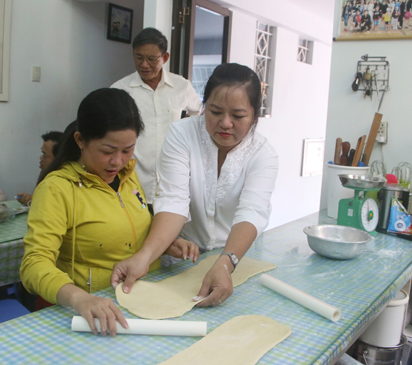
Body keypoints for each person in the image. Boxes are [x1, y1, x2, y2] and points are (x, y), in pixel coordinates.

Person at [20, 88, 198, 336]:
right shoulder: (58, 189)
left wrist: (166, 245)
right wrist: (79, 298)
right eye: (107, 151)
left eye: (127, 150)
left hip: (144, 301)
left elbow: (129, 228)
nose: (118, 161)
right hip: (92, 311)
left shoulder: (126, 175)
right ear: (80, 140)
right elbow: (33, 264)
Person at [111, 63, 279, 308]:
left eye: (238, 115)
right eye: (215, 111)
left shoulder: (264, 154)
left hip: (237, 256)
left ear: (254, 115)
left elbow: (252, 212)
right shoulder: (182, 135)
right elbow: (173, 200)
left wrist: (225, 263)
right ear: (203, 107)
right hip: (184, 258)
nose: (225, 123)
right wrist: (144, 257)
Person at [111, 27, 202, 204]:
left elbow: (198, 113)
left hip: (172, 180)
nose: (144, 65)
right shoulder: (120, 90)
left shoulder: (180, 86)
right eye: (139, 57)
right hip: (133, 181)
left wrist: (184, 135)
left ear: (165, 58)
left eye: (152, 59)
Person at [16, 131, 63, 206]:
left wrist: (34, 201)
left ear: (58, 159)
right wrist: (32, 200)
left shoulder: (56, 183)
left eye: (45, 155)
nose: (41, 158)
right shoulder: (46, 175)